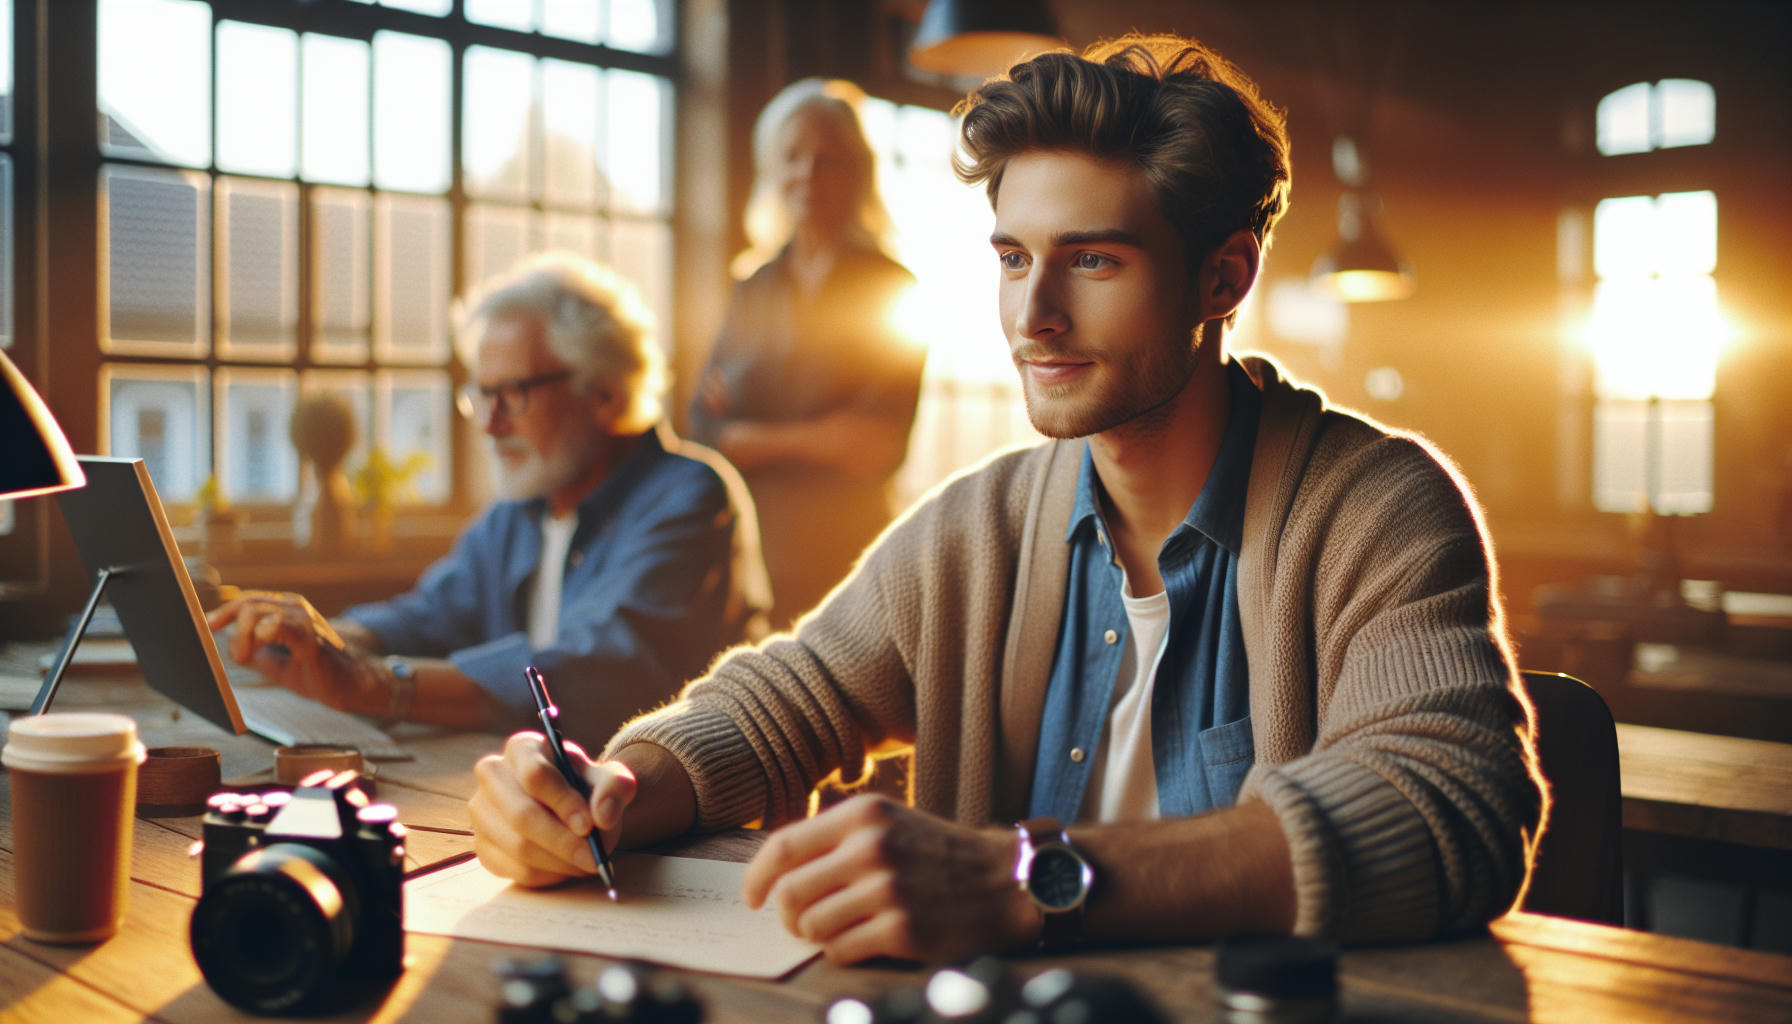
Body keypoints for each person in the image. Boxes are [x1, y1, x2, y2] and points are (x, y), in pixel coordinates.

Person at [470, 35, 1543, 964]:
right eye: (1014, 257)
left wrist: (1022, 878)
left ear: (1224, 281)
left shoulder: (1376, 506)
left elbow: (1449, 806)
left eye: (1093, 261)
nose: (1034, 315)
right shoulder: (973, 527)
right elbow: (779, 703)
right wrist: (602, 790)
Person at [209, 254, 771, 742]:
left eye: (514, 394)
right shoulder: (519, 513)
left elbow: (598, 671)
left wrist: (370, 683)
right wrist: (314, 637)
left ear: (604, 393)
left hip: (682, 829)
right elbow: (430, 616)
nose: (489, 424)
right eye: (482, 395)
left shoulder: (691, 495)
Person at [686, 78, 926, 628]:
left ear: (856, 171)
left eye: (827, 159)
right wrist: (823, 436)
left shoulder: (893, 286)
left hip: (850, 553)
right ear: (772, 169)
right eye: (792, 157)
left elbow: (878, 446)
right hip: (751, 548)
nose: (807, 175)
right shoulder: (750, 288)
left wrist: (752, 437)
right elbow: (703, 432)